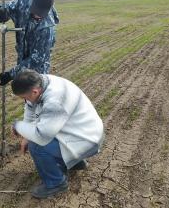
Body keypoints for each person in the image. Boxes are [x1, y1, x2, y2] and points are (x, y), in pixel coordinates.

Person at [11, 70, 104, 198]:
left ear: (35, 92)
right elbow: (30, 108)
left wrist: (18, 126)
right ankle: (75, 161)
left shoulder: (55, 101)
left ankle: (56, 184)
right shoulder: (42, 81)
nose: (24, 101)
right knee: (46, 131)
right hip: (83, 131)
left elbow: (41, 136)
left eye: (24, 97)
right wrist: (26, 135)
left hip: (87, 139)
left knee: (37, 146)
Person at [0, 0, 59, 86]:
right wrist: (1, 13)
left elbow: (36, 59)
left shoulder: (48, 28)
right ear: (33, 2)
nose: (38, 15)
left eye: (41, 13)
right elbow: (7, 8)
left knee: (35, 98)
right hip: (22, 59)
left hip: (37, 73)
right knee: (25, 94)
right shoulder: (23, 2)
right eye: (36, 11)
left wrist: (11, 74)